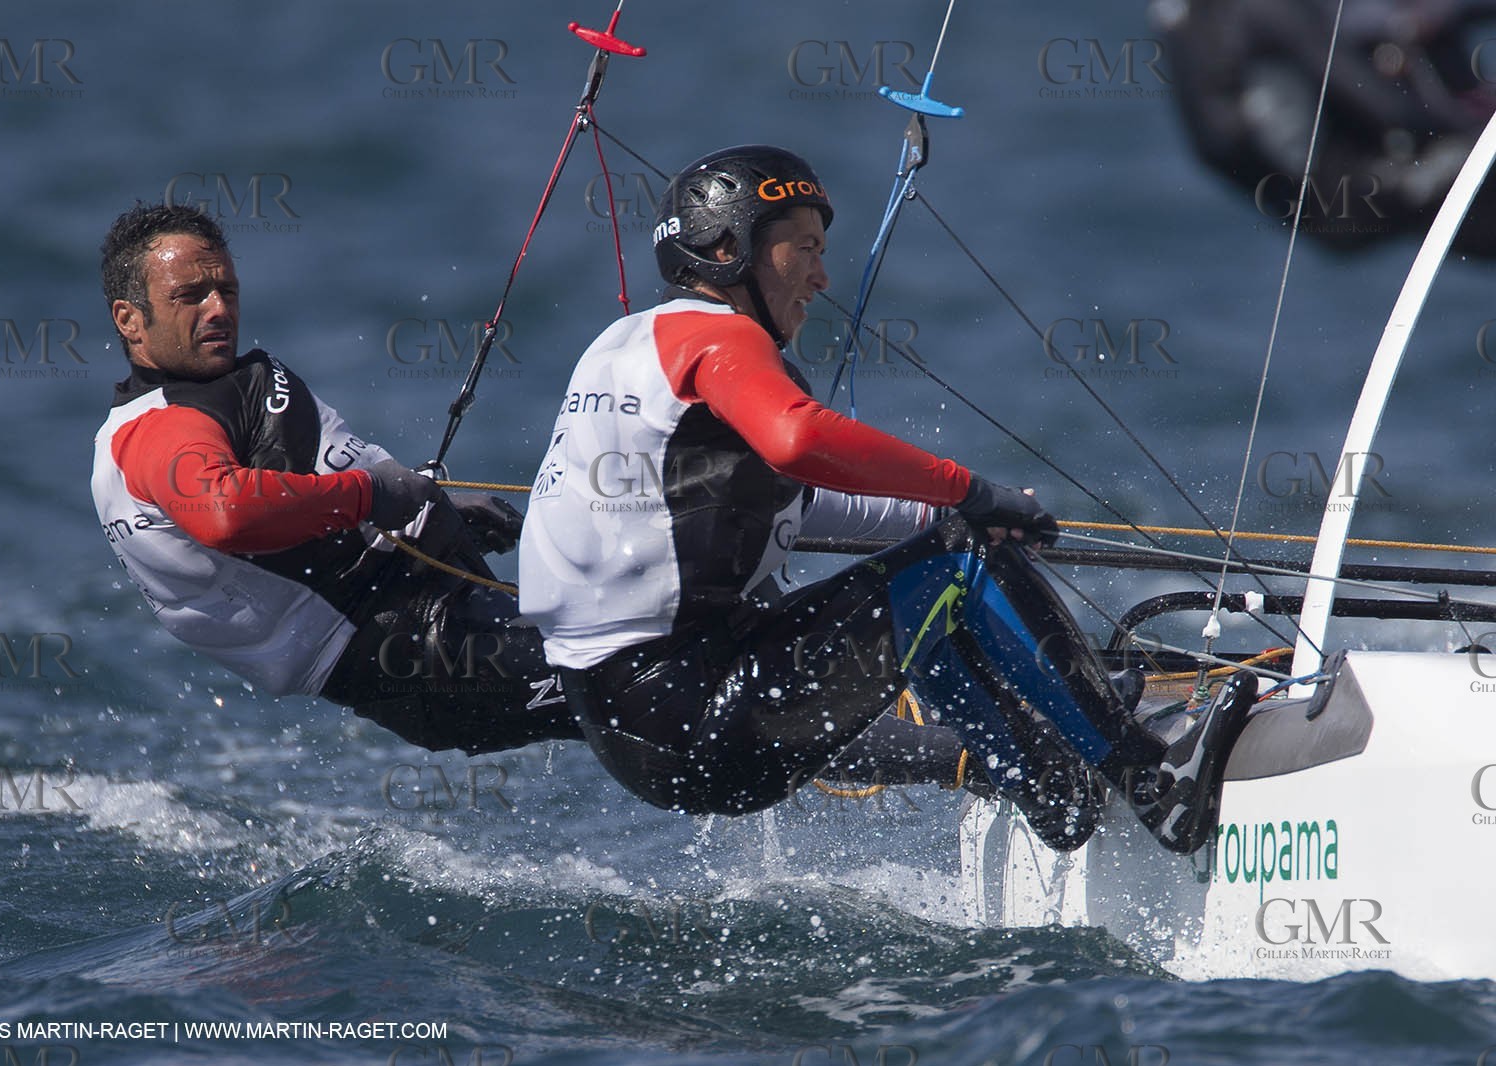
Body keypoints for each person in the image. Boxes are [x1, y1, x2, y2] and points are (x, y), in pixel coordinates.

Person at [518, 145, 1257, 853]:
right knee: (959, 566)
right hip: (700, 707)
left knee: (933, 563)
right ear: (724, 252)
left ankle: (1048, 781)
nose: (820, 277)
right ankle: (1154, 778)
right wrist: (969, 493)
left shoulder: (623, 348)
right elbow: (796, 441)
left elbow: (780, 501)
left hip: (636, 727)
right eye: (802, 248)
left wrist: (946, 515)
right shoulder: (718, 336)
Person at [91, 202, 581, 755]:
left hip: (428, 621)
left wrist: (422, 503)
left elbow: (304, 492)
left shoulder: (218, 392)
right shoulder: (156, 427)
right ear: (129, 319)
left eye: (226, 291)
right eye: (190, 296)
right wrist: (376, 495)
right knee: (636, 672)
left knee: (657, 658)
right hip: (413, 651)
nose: (218, 310)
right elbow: (225, 513)